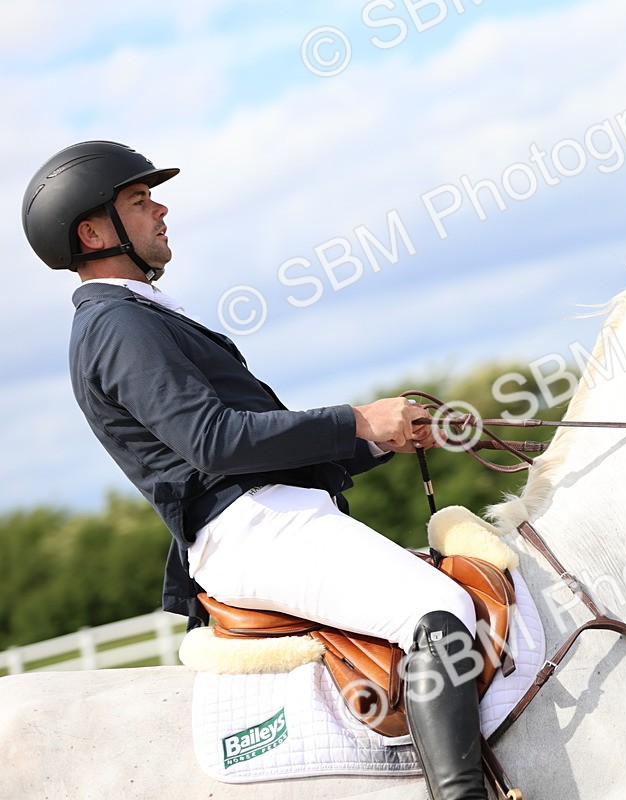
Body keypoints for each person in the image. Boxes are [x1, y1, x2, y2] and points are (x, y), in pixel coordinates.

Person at [22, 141, 487, 800]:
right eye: (139, 201)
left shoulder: (138, 314)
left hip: (274, 516)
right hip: (252, 529)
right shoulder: (116, 325)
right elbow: (216, 442)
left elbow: (259, 446)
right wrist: (356, 418)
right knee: (437, 605)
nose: (160, 210)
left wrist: (382, 440)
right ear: (93, 233)